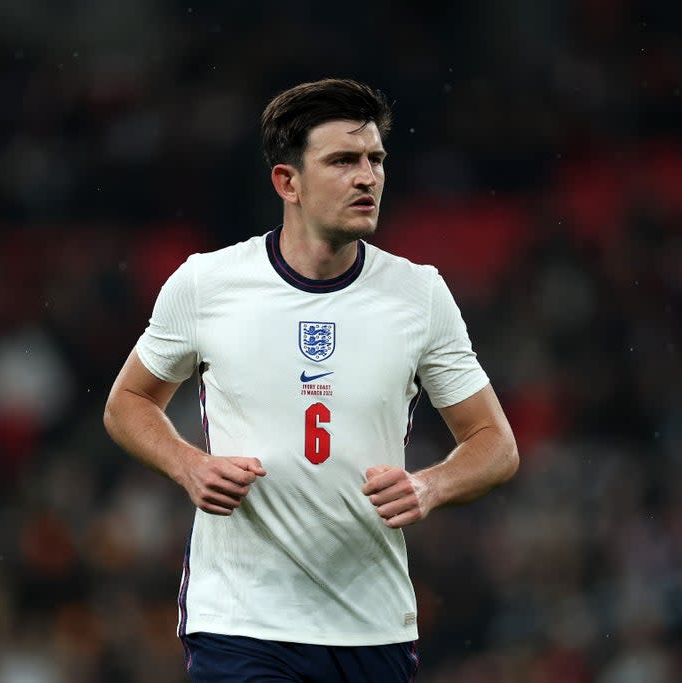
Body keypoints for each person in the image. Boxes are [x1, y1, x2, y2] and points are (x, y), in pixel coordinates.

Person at [103, 78, 519, 682]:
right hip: (241, 624)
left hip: (370, 623)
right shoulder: (206, 285)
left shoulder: (418, 294)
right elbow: (128, 402)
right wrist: (187, 465)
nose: (367, 177)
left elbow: (495, 444)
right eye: (343, 161)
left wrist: (431, 486)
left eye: (375, 160)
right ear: (287, 182)